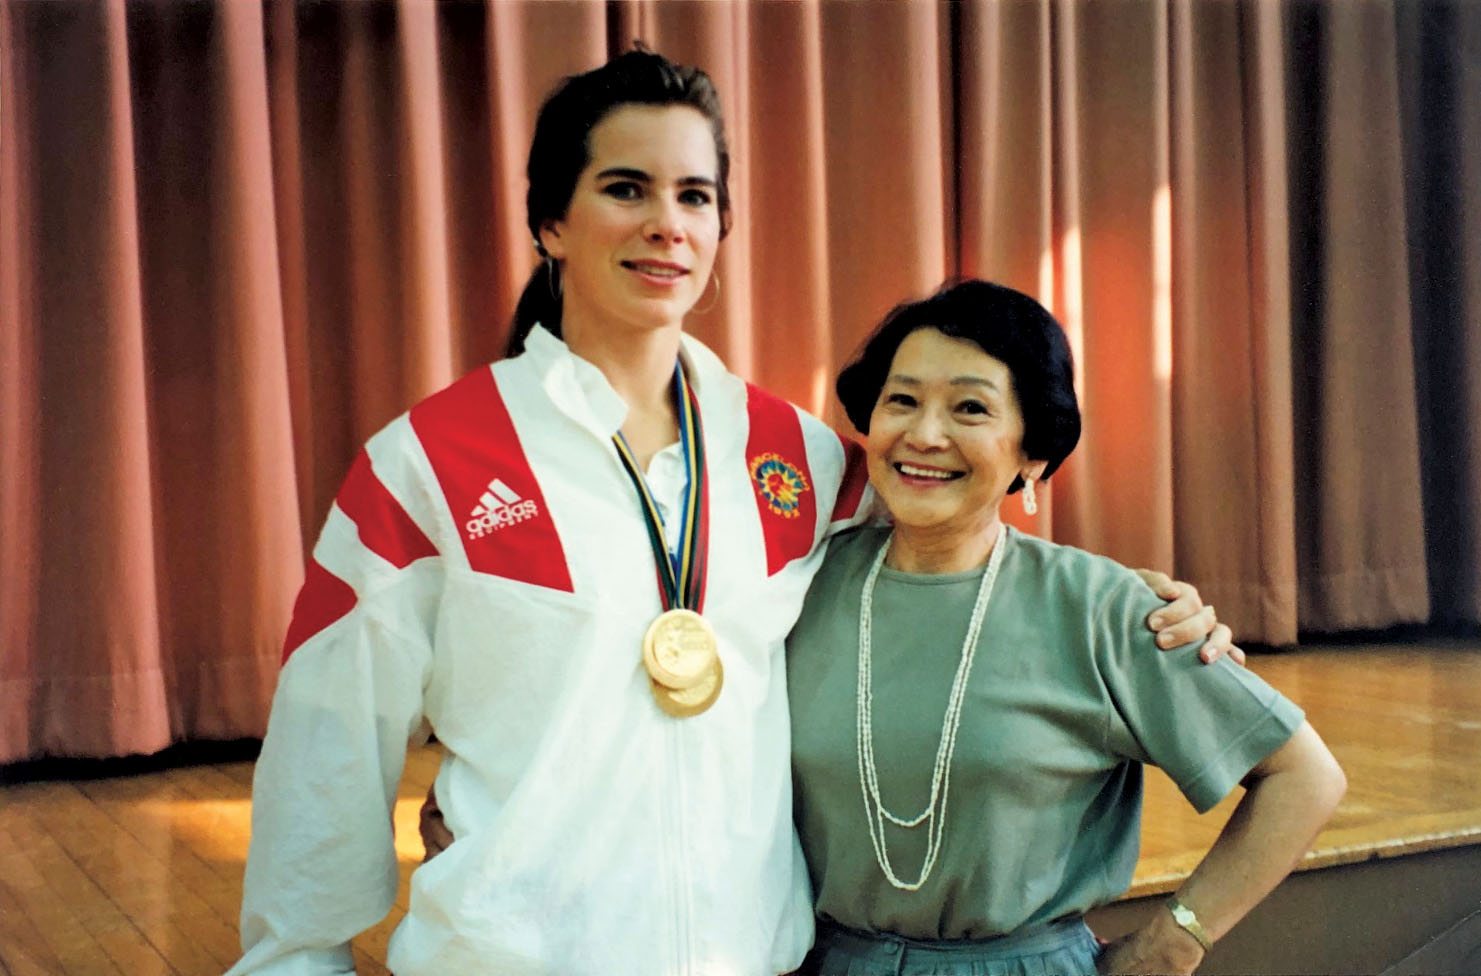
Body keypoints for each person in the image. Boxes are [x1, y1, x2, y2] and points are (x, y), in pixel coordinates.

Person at [231, 51, 1227, 975]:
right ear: (549, 223)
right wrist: (296, 956)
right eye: (625, 188)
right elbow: (329, 745)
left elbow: (951, 532)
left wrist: (1121, 598)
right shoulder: (426, 464)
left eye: (694, 196)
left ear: (718, 230)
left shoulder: (791, 454)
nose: (667, 222)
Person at [787, 279, 1347, 976]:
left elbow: (1302, 776)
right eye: (901, 400)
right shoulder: (797, 585)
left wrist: (1175, 942)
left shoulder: (1101, 606)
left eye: (969, 408)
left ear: (1032, 454)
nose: (924, 435)